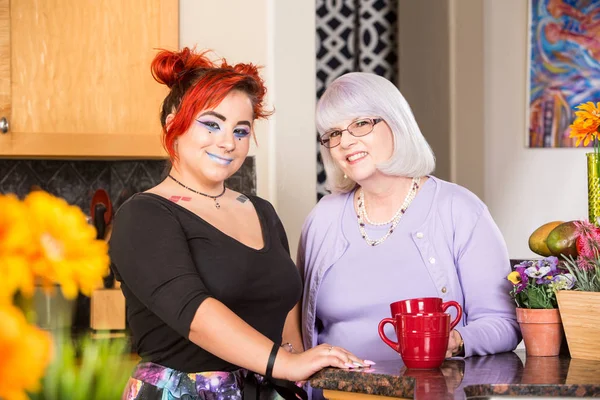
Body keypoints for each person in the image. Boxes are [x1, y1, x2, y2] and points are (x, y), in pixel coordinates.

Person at [109, 48, 366, 400]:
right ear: (173, 126)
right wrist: (284, 364)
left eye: (241, 130)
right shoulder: (144, 216)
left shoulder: (261, 212)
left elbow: (286, 308)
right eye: (211, 124)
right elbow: (194, 313)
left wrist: (298, 371)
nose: (228, 142)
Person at [298, 72, 521, 368]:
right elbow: (301, 330)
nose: (345, 142)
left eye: (361, 124)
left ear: (396, 122)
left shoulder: (460, 210)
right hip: (334, 395)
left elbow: (503, 323)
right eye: (334, 133)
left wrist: (454, 340)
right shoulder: (322, 218)